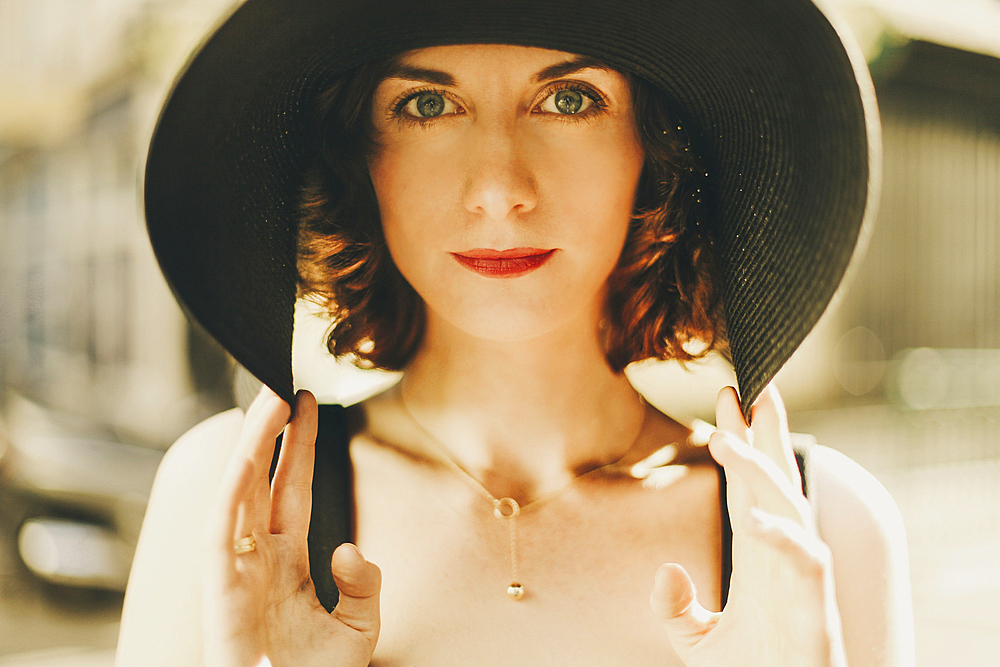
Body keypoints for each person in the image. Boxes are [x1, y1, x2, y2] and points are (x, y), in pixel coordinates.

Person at [116, 0, 914, 665]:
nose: (499, 189)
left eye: (569, 99)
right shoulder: (230, 513)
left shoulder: (825, 530)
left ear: (656, 147)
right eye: (426, 104)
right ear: (359, 156)